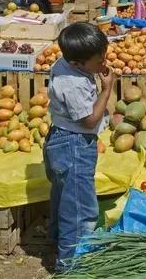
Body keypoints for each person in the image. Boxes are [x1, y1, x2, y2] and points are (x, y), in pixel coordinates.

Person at [45, 22, 115, 273]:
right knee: (80, 210)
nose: (103, 62)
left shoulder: (65, 65)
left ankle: (56, 241)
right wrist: (107, 90)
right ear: (78, 64)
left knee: (64, 197)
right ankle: (70, 267)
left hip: (61, 139)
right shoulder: (72, 84)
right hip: (74, 145)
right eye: (99, 60)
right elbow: (89, 120)